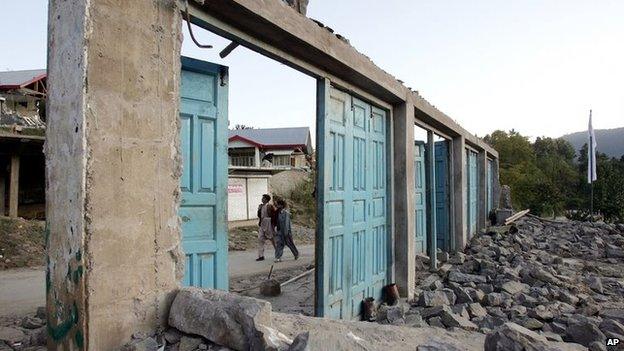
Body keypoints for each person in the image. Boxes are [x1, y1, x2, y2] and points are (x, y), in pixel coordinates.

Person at [274, 198, 299, 262]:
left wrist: (285, 232)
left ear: (281, 205)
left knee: (289, 244)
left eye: (278, 205)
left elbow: (286, 224)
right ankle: (278, 257)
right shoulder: (278, 212)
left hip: (286, 232)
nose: (276, 206)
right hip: (279, 231)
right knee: (279, 244)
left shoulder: (286, 213)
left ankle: (296, 254)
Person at [256, 194, 276, 261]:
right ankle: (261, 255)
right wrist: (259, 209)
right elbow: (259, 216)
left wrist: (273, 225)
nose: (262, 199)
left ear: (266, 199)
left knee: (272, 239)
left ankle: (278, 253)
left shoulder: (270, 206)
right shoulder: (261, 206)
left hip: (268, 223)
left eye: (263, 198)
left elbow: (274, 216)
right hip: (262, 223)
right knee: (260, 239)